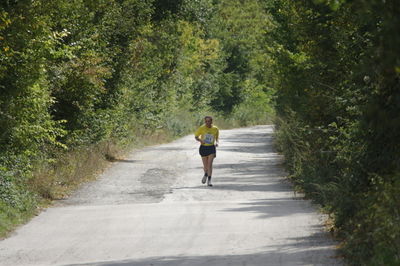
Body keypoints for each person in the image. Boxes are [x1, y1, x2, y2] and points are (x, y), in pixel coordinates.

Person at [194, 116, 219, 186]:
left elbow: (217, 138)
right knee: (205, 166)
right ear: (205, 122)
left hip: (211, 148)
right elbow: (196, 136)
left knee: (210, 164)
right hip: (203, 148)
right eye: (206, 121)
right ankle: (205, 174)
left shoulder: (215, 129)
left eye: (209, 121)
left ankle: (209, 180)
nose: (207, 122)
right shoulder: (202, 128)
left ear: (212, 121)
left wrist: (217, 143)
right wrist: (200, 140)